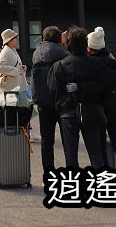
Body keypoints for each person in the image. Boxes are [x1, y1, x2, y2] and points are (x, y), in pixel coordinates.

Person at [48, 27, 116, 169]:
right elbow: (110, 82)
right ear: (86, 45)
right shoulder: (97, 64)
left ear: (68, 45)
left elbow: (52, 89)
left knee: (71, 154)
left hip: (68, 111)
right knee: (95, 151)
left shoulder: (59, 66)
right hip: (92, 109)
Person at [87, 26, 116, 168]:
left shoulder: (91, 63)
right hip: (113, 107)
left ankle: (106, 173)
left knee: (100, 143)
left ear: (90, 47)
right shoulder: (111, 61)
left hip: (97, 108)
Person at [31, 25, 68, 174]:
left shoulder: (36, 53)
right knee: (68, 139)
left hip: (42, 101)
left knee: (47, 140)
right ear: (58, 39)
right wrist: (64, 44)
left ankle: (48, 172)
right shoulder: (63, 53)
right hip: (61, 101)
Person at [0, 29, 27, 94]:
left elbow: (12, 63)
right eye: (15, 38)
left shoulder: (12, 50)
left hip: (14, 85)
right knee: (11, 103)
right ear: (9, 40)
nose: (16, 40)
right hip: (10, 87)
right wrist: (16, 70)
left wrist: (21, 67)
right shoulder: (6, 51)